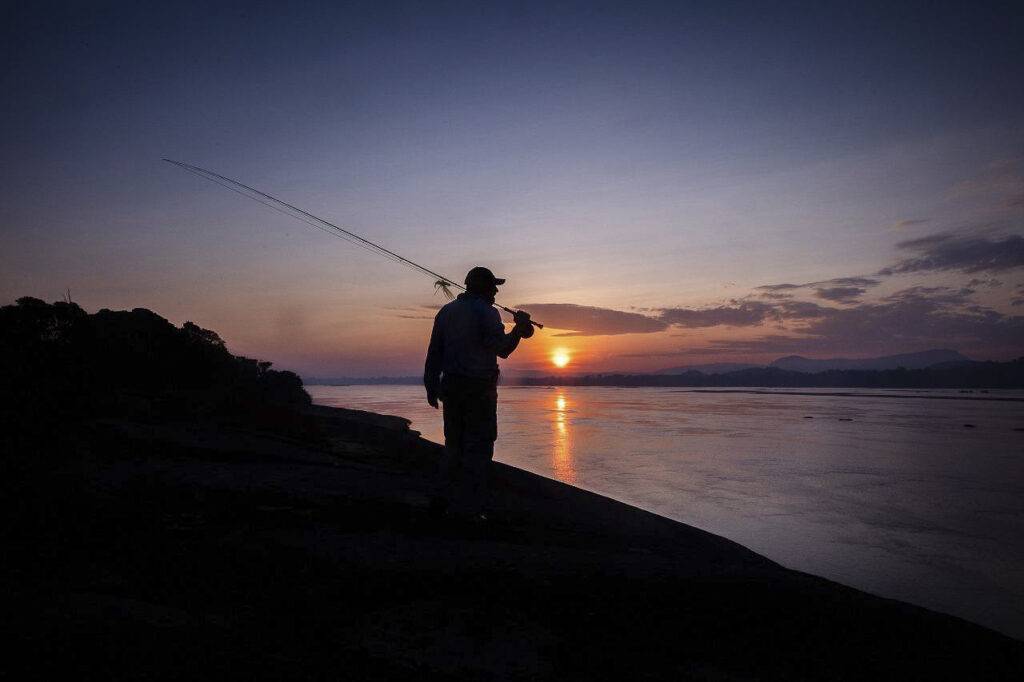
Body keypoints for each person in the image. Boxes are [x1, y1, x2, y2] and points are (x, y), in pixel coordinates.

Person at [424, 266, 534, 521]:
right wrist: (519, 329)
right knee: (480, 448)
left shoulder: (446, 312)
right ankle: (471, 510)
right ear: (482, 287)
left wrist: (431, 384)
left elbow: (434, 352)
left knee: (453, 445)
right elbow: (503, 349)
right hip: (479, 391)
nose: (496, 291)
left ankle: (442, 500)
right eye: (493, 286)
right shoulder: (487, 312)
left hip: (450, 387)